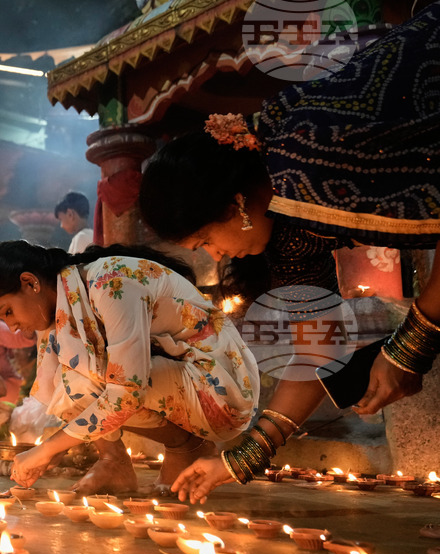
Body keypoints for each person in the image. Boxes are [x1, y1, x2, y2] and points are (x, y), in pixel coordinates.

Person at [138, 2, 440, 502]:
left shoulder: (312, 151)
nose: (215, 255)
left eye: (205, 242)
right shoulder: (290, 227)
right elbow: (314, 353)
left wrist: (410, 347)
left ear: (234, 204)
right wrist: (239, 459)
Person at [0, 241, 259, 494]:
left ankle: (187, 447)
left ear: (31, 283)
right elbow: (62, 393)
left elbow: (126, 392)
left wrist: (47, 450)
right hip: (188, 381)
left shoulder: (111, 282)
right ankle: (114, 463)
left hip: (222, 391)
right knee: (71, 378)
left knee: (88, 378)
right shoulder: (63, 307)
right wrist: (54, 448)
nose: (13, 327)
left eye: (8, 312)